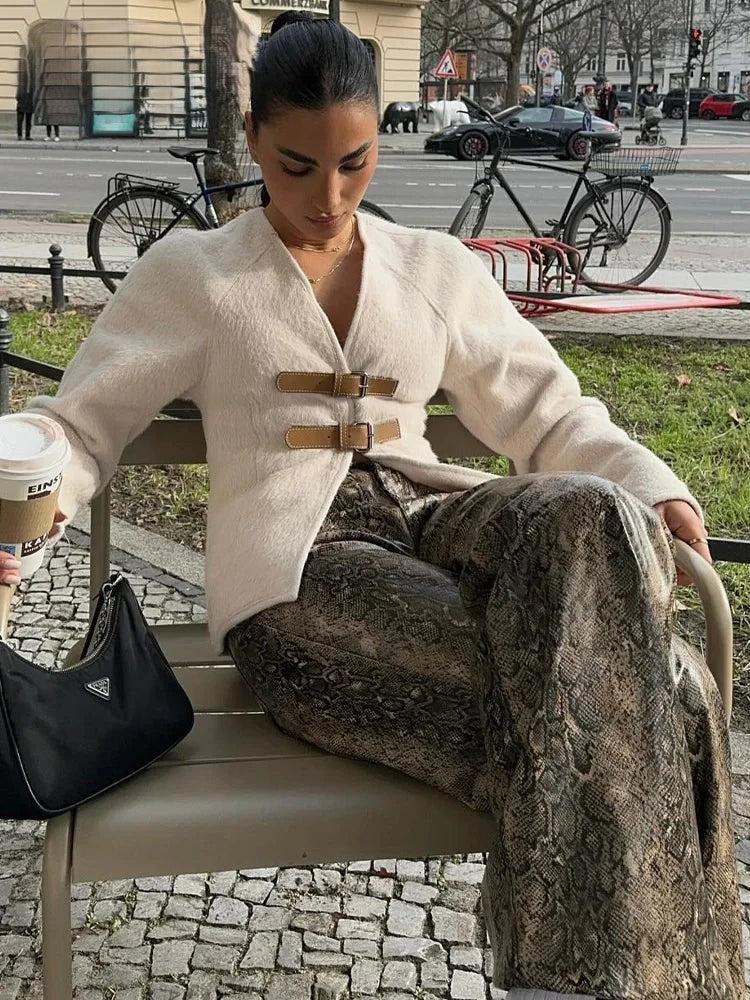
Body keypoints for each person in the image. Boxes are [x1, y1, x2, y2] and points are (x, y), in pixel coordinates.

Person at [0, 12, 742, 1000]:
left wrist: (653, 485)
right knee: (665, 692)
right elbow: (81, 422)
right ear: (254, 137)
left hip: (433, 524)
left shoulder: (433, 267)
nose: (328, 196)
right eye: (297, 166)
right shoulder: (194, 274)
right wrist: (26, 490)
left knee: (593, 514)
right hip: (299, 575)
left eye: (354, 163)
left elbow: (548, 410)